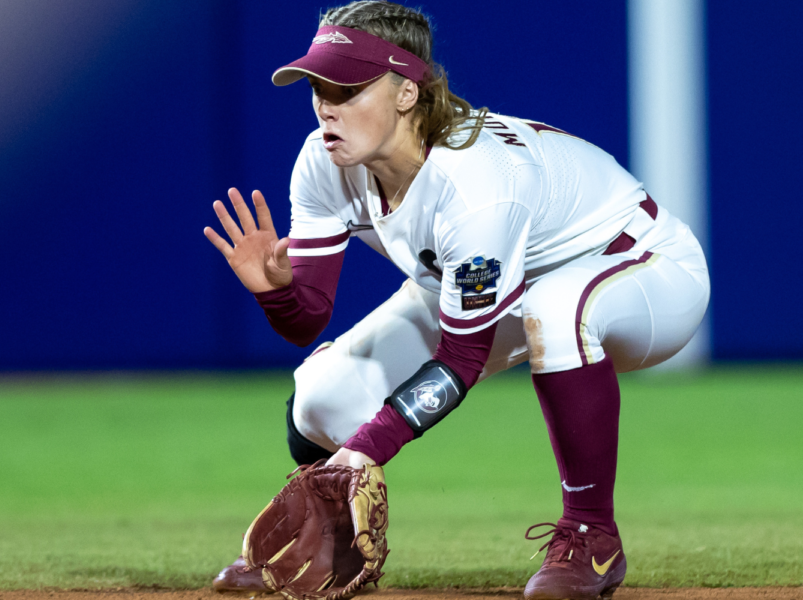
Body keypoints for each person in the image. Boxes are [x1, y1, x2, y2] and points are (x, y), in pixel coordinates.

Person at [203, 2, 710, 599]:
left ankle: (592, 536)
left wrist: (366, 449)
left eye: (348, 88)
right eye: (319, 86)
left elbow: (462, 359)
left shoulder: (474, 183)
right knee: (321, 398)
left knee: (554, 309)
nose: (326, 106)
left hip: (644, 270)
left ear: (406, 92)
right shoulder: (324, 161)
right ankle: (325, 538)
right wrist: (274, 293)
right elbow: (306, 319)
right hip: (491, 281)